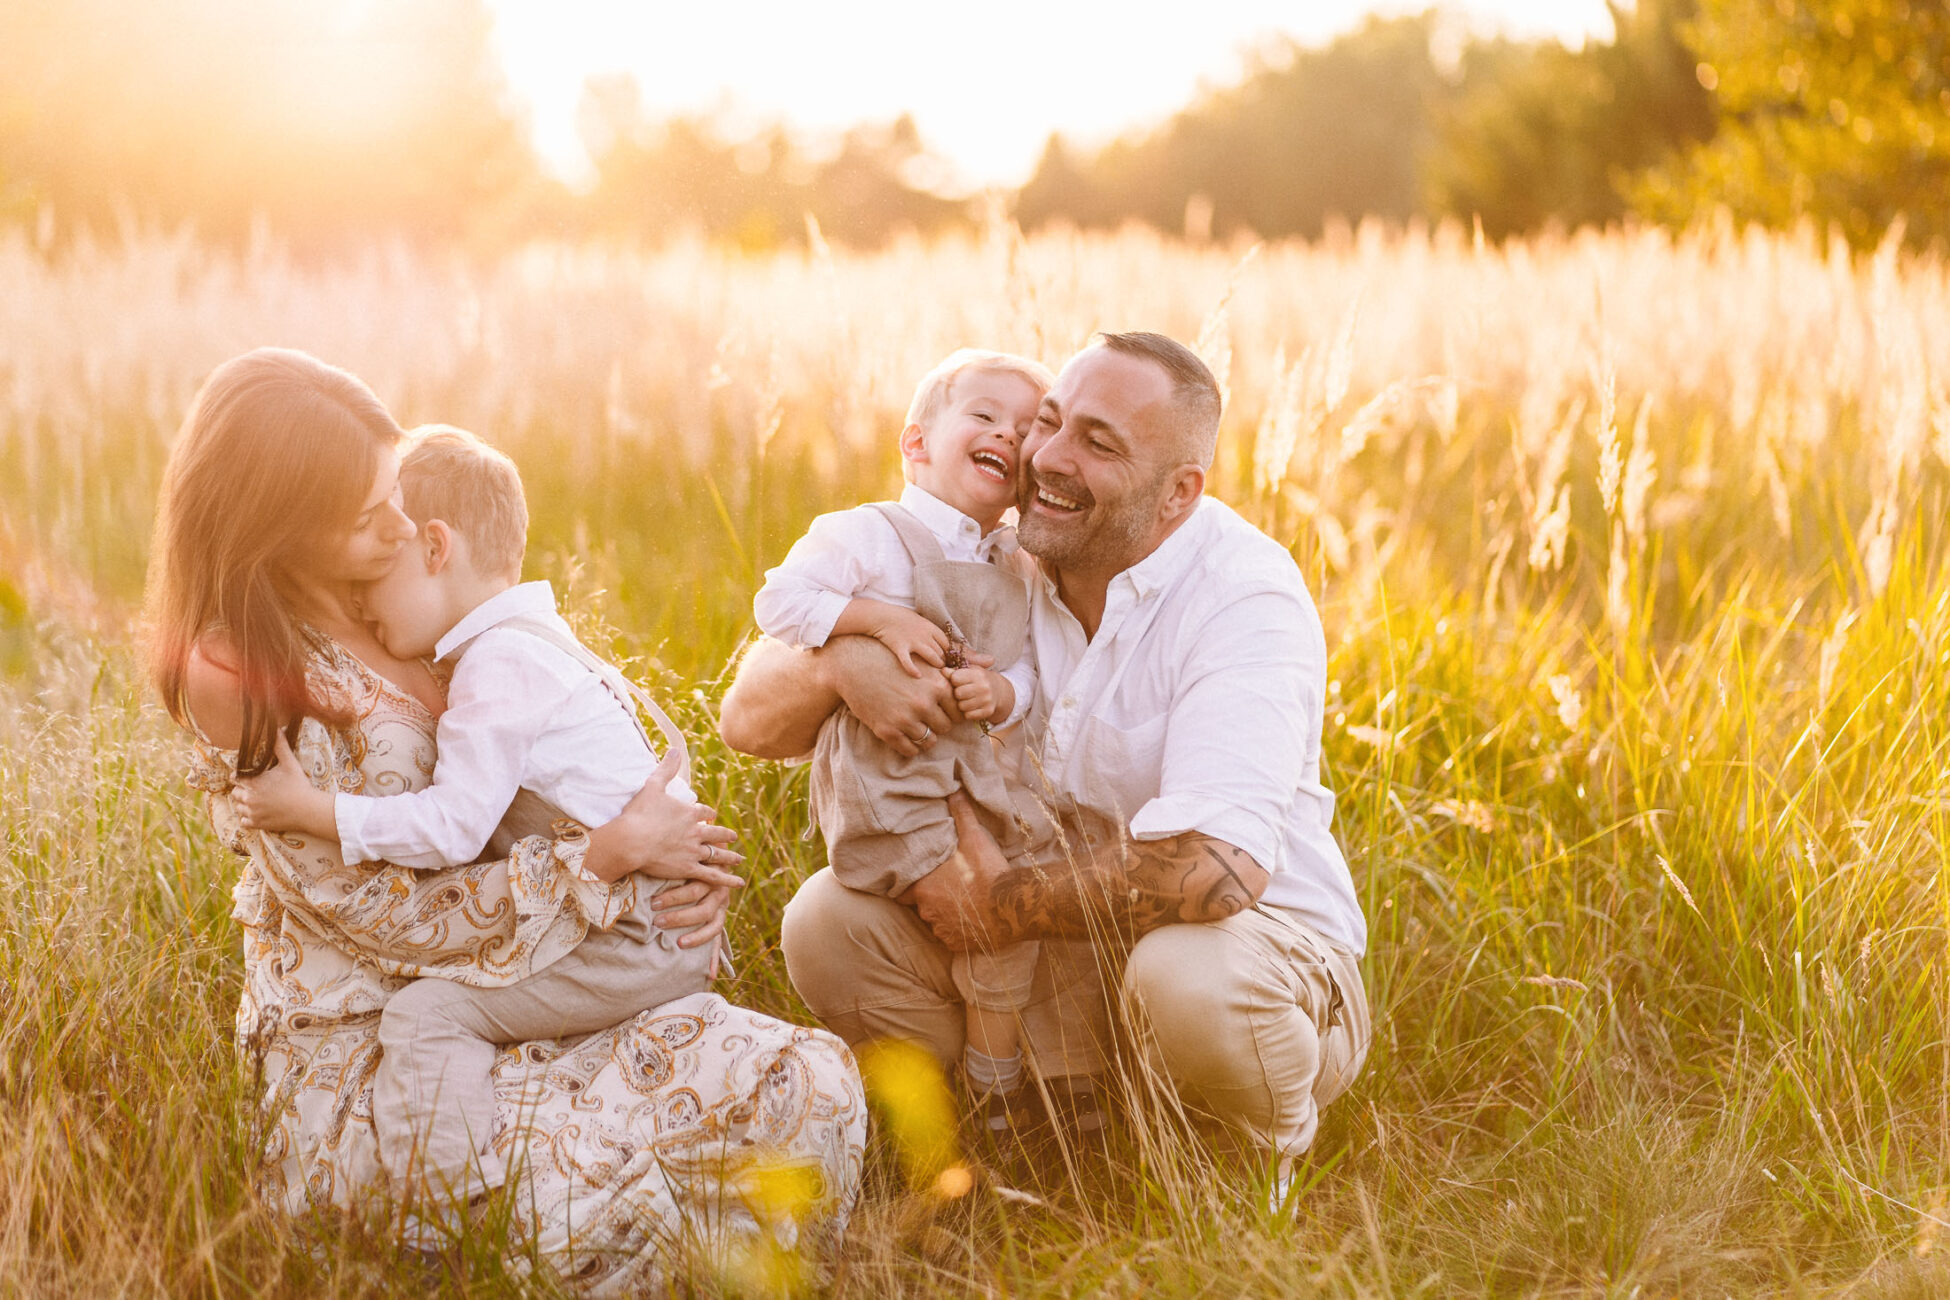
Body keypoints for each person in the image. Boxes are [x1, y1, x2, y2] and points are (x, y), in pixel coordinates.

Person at [147, 348, 864, 1289]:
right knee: (608, 1203)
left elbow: (570, 748)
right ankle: (442, 1240)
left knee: (810, 1083)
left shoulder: (428, 593)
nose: (402, 523)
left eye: (396, 492)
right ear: (283, 523)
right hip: (385, 1038)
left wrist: (675, 866)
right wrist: (600, 868)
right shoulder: (237, 668)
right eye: (371, 516)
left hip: (535, 975)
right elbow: (370, 916)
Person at [718, 331, 1370, 1205]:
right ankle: (999, 1132)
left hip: (1259, 954)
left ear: (1179, 493)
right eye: (1051, 423)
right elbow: (748, 717)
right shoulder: (1013, 552)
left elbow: (1218, 874)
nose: (1046, 458)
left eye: (1098, 443)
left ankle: (1253, 1166)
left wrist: (996, 904)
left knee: (1186, 977)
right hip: (1061, 951)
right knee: (826, 922)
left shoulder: (1242, 595)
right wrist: (843, 660)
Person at [228, 425, 734, 1219]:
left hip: (632, 931)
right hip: (658, 925)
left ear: (436, 548)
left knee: (426, 1016)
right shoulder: (544, 645)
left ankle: (447, 1218)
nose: (361, 601)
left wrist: (312, 810)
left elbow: (455, 829)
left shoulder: (496, 668)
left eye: (375, 578)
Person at [751, 349, 1054, 1136]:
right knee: (987, 917)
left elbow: (1026, 673)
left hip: (978, 779)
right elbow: (779, 600)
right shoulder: (867, 534)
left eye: (1026, 431)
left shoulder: (1015, 566)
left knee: (1006, 928)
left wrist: (1001, 693)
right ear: (916, 443)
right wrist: (872, 624)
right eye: (985, 417)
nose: (1007, 436)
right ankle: (983, 1101)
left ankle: (991, 1097)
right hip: (888, 779)